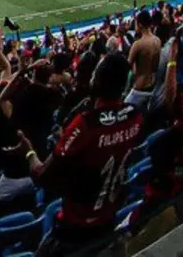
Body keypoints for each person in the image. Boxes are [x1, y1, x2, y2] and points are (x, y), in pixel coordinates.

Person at [17, 52, 142, 256]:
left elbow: (42, 176)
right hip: (107, 221)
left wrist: (28, 151)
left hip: (75, 230)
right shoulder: (135, 116)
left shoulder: (86, 123)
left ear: (99, 81)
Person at [126, 10, 160, 110]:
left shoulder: (138, 44)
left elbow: (127, 66)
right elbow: (155, 65)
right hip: (152, 86)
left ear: (140, 24)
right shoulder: (157, 40)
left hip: (139, 88)